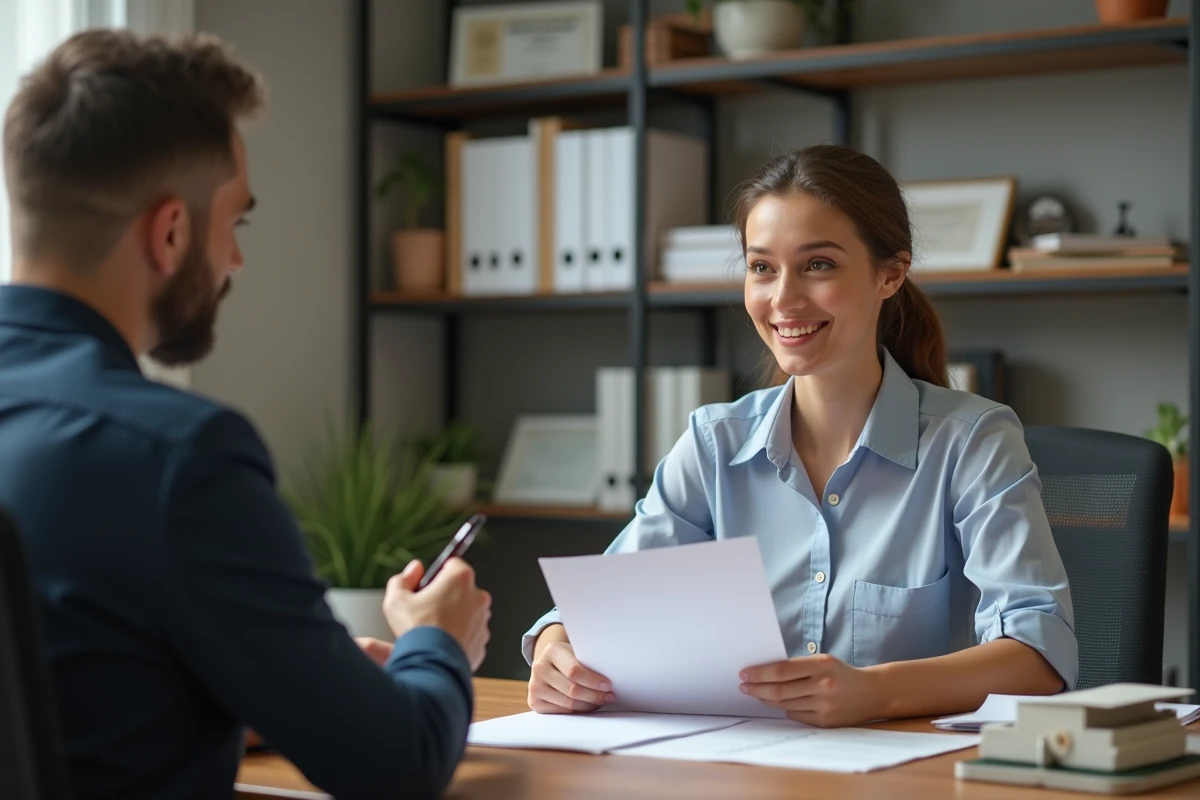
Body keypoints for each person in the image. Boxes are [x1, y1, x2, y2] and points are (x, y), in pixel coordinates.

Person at [0, 29, 490, 799]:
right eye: (236, 222)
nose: (235, 260)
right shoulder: (176, 460)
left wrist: (248, 695)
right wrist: (437, 640)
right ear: (169, 233)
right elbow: (398, 766)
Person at [524, 144, 1077, 728]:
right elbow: (603, 609)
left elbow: (1039, 656)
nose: (783, 299)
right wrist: (557, 647)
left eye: (818, 265)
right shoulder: (714, 445)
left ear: (889, 274)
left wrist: (877, 692)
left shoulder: (973, 443)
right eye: (762, 267)